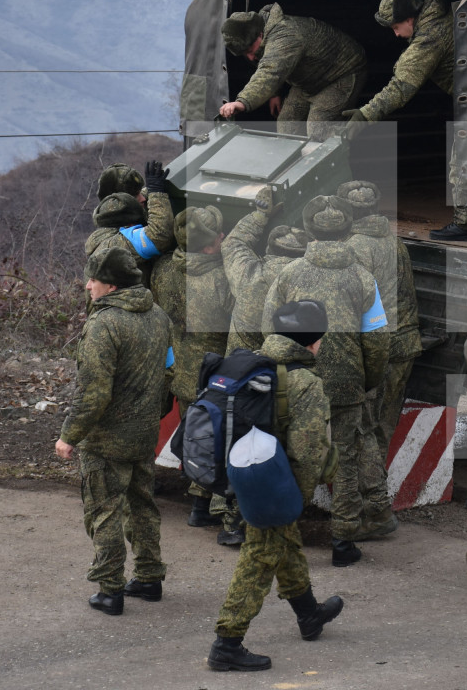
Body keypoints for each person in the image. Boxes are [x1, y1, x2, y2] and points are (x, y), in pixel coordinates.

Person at [209, 299, 344, 672]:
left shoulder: (251, 363)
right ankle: (227, 641)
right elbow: (308, 451)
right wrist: (293, 502)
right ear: (314, 343)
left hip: (240, 472)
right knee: (259, 555)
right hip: (272, 484)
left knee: (283, 542)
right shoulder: (305, 383)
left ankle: (308, 614)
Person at [262, 195, 390, 568]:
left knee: (288, 452)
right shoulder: (363, 278)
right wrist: (368, 378)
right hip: (347, 382)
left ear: (309, 231)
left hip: (294, 377)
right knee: (346, 459)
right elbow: (378, 340)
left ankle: (283, 529)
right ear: (349, 230)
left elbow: (269, 324)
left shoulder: (290, 273)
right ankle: (343, 540)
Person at [55, 247, 172, 615]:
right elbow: (169, 373)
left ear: (110, 285)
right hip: (143, 432)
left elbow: (93, 392)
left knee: (104, 510)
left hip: (106, 439)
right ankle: (150, 578)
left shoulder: (103, 325)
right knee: (142, 505)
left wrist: (69, 435)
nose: (88, 285)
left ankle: (110, 589)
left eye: (93, 279)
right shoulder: (158, 316)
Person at [348, 0, 467, 242]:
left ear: (409, 19)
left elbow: (401, 87)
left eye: (395, 28)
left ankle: (465, 226)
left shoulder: (430, 36)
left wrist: (365, 115)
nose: (396, 35)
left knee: (463, 163)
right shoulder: (440, 15)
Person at [151, 206, 241, 543]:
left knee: (194, 435)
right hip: (213, 373)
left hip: (177, 366)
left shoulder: (163, 270)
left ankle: (197, 507)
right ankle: (202, 505)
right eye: (220, 235)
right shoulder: (221, 278)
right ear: (210, 247)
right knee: (211, 438)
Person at [338, 179, 423, 538]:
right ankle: (377, 503)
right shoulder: (396, 242)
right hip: (403, 344)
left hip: (373, 348)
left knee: (362, 430)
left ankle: (365, 509)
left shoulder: (352, 248)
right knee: (383, 425)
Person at [218, 3, 366, 142]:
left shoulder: (286, 35)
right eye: (245, 54)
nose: (251, 57)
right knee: (286, 125)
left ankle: (332, 163)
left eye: (250, 50)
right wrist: (274, 93)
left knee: (318, 130)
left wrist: (242, 102)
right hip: (308, 80)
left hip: (341, 74)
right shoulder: (261, 36)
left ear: (259, 34)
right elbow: (272, 63)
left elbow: (270, 70)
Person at [221, 186, 309, 354]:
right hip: (288, 374)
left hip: (239, 371)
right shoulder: (310, 288)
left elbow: (233, 243)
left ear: (269, 249)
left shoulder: (247, 275)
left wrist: (260, 215)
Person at [84, 160, 174, 286]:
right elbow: (159, 236)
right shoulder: (112, 243)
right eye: (136, 195)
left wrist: (156, 185)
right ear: (120, 201)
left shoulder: (119, 217)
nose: (143, 198)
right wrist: (157, 192)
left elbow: (140, 196)